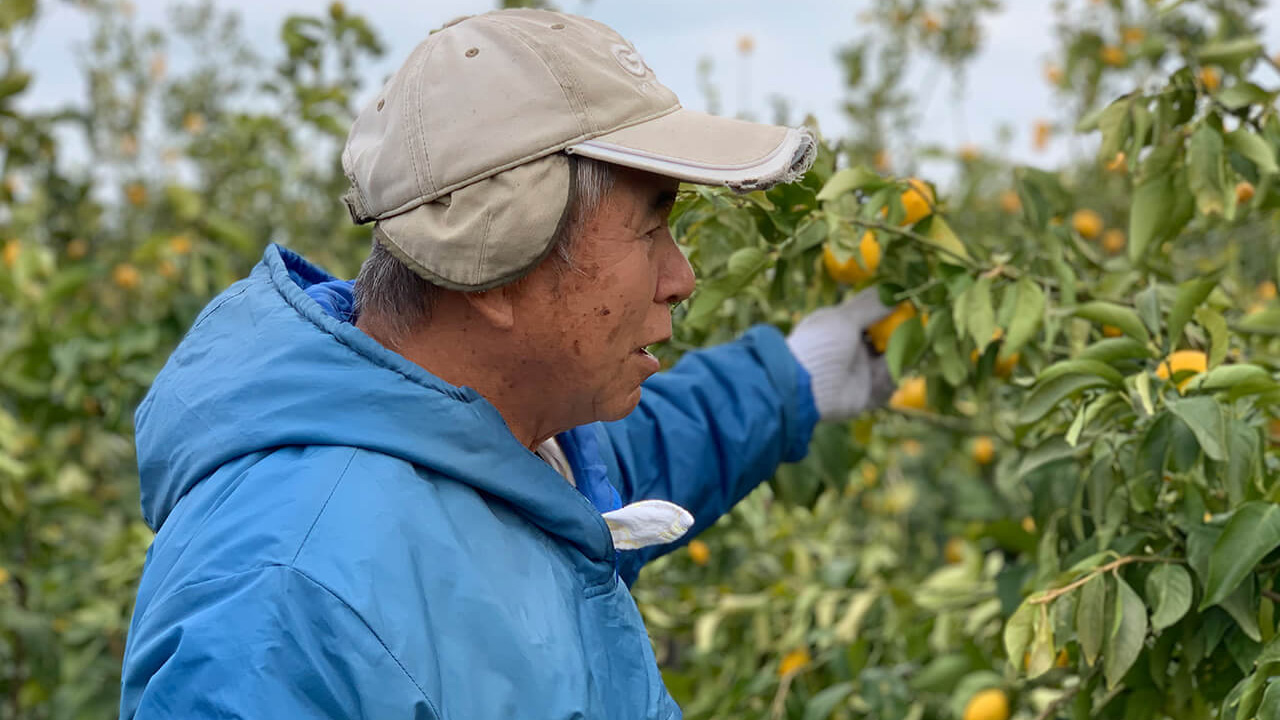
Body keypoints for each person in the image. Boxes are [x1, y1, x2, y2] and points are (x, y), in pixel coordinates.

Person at [118, 8, 895, 719]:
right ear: (499, 261)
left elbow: (632, 468)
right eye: (651, 229)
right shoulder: (288, 596)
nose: (681, 277)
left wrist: (797, 376)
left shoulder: (512, 447)